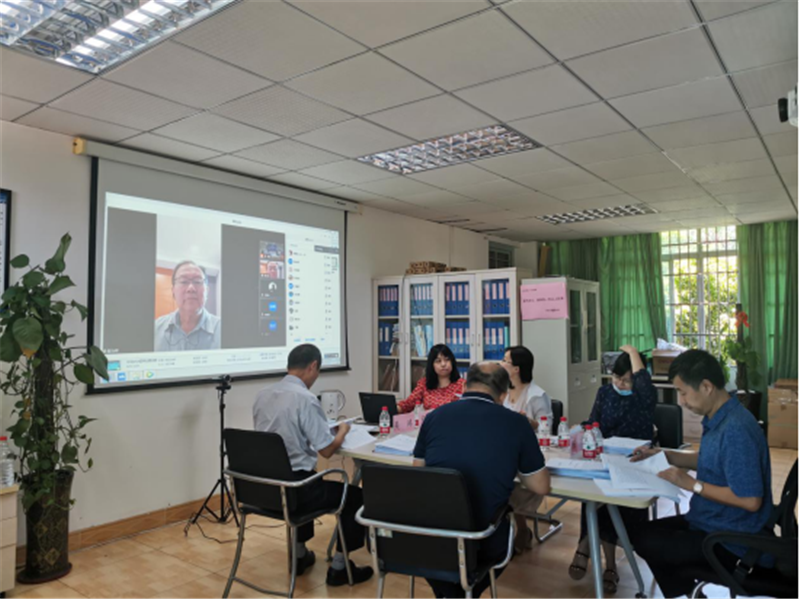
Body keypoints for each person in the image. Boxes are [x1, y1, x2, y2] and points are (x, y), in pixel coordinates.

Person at [628, 349, 774, 598]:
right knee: (642, 534)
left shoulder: (736, 429)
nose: (681, 401)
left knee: (646, 540)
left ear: (706, 386)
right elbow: (712, 460)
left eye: (683, 393)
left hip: (732, 540)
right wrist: (664, 454)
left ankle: (688, 592)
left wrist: (692, 485)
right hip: (711, 521)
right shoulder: (720, 417)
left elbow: (750, 500)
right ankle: (690, 593)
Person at [413, 361, 551, 598]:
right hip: (482, 538)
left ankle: (451, 594)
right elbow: (540, 486)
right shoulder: (516, 423)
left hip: (430, 537)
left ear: (464, 386)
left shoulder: (434, 417)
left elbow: (419, 473)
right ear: (503, 395)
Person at [252, 344, 373, 586]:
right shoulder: (305, 399)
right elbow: (326, 450)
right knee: (356, 496)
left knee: (305, 475)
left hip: (264, 490)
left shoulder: (262, 395)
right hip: (296, 492)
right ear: (313, 366)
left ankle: (299, 555)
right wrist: (343, 430)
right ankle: (340, 567)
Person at [569, 345, 656, 593]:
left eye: (627, 380)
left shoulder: (643, 396)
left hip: (636, 463)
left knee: (606, 500)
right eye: (617, 377)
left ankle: (589, 548)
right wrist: (580, 429)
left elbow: (644, 385)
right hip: (605, 460)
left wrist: (634, 355)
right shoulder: (605, 392)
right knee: (595, 494)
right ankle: (609, 565)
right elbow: (593, 421)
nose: (620, 384)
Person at [500, 345, 553, 554]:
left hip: (530, 452)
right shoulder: (502, 392)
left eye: (505, 361)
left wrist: (528, 423)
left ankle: (522, 529)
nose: (501, 364)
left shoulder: (537, 395)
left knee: (513, 484)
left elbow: (547, 428)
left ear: (517, 369)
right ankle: (509, 530)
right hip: (505, 449)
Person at [154, 260, 221, 351]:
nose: (191, 288)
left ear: (207, 291)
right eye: (184, 281)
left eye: (197, 281)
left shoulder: (223, 330)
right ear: (173, 291)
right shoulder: (155, 329)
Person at [397, 344, 464, 413]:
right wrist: (393, 409)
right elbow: (407, 404)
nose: (443, 364)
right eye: (438, 361)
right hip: (430, 420)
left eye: (447, 360)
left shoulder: (462, 385)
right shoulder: (424, 384)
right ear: (432, 365)